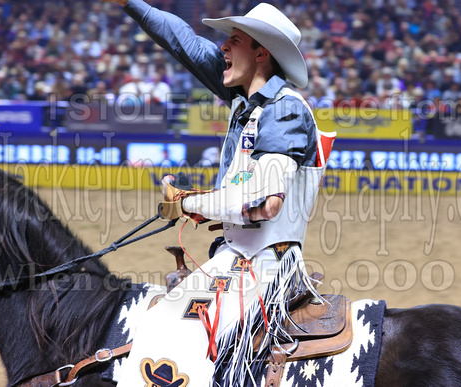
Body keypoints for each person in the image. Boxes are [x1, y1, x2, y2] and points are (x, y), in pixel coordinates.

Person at [100, 1, 334, 386]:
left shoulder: (284, 110)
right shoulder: (248, 102)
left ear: (262, 52)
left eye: (234, 40)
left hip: (265, 266)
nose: (223, 47)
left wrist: (187, 203)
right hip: (242, 259)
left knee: (169, 327)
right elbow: (184, 43)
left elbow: (264, 203)